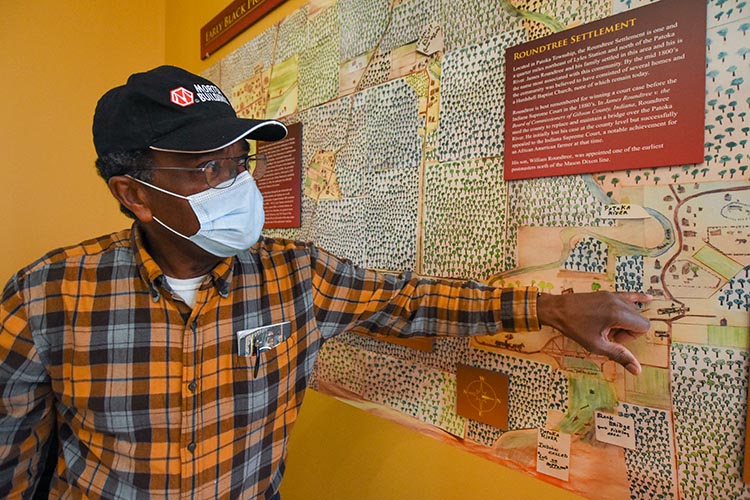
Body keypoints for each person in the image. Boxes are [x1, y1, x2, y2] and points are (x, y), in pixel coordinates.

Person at [0, 65, 651, 499]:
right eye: (204, 168)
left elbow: (414, 301)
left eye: (239, 162)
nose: (236, 185)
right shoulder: (45, 298)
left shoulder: (295, 276)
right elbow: (13, 462)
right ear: (133, 194)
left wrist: (553, 308)